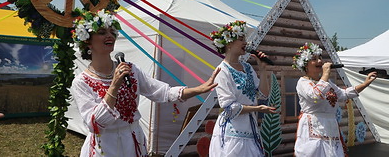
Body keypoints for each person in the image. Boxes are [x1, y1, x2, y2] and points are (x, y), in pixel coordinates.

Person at [70, 9, 220, 157]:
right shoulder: (81, 82)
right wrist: (114, 85)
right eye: (102, 32)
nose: (110, 35)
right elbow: (95, 123)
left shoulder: (131, 70)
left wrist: (199, 89)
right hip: (104, 147)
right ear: (87, 42)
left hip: (132, 142)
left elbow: (163, 92)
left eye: (112, 32)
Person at [292, 42, 377, 157]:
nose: (319, 61)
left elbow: (344, 94)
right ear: (305, 65)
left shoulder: (327, 82)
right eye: (314, 59)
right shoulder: (303, 82)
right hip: (314, 126)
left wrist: (365, 83)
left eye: (320, 58)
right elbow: (315, 95)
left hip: (330, 126)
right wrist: (326, 74)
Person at [208, 20, 278, 157]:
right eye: (241, 39)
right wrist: (258, 109)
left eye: (245, 39)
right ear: (229, 43)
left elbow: (263, 94)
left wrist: (263, 70)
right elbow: (229, 107)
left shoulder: (247, 67)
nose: (245, 42)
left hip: (250, 130)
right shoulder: (222, 71)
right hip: (232, 132)